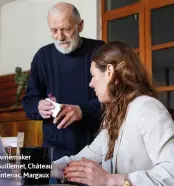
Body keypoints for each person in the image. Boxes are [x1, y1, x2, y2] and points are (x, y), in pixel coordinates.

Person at [51, 41, 174, 186]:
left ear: (109, 72)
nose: (91, 83)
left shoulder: (147, 108)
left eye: (93, 75)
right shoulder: (114, 117)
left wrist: (109, 180)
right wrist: (37, 167)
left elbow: (171, 173)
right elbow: (80, 162)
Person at [22, 3, 104, 161]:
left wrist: (82, 111)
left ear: (80, 25)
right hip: (54, 152)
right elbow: (29, 101)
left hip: (95, 150)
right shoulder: (42, 57)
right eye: (54, 30)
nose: (60, 37)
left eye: (66, 29)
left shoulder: (99, 51)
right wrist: (38, 106)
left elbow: (115, 101)